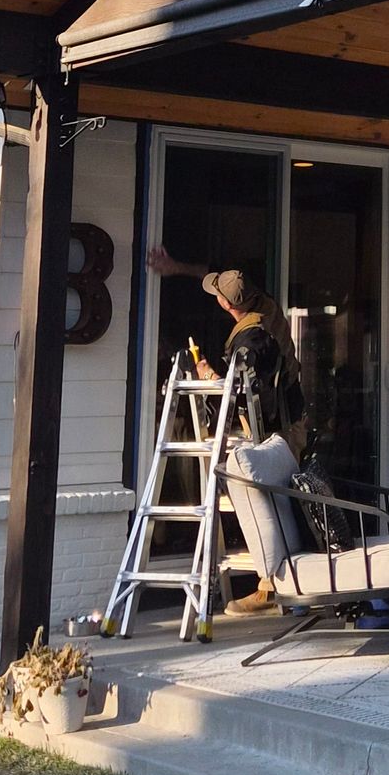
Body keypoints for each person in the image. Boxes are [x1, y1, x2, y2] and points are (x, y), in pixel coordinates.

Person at [145, 248, 305, 615]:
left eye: (217, 292)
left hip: (277, 429)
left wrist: (212, 379)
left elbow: (243, 396)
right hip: (285, 420)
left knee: (265, 498)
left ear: (227, 305)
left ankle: (272, 585)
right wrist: (176, 267)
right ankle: (281, 582)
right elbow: (216, 271)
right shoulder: (260, 301)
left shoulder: (253, 343)